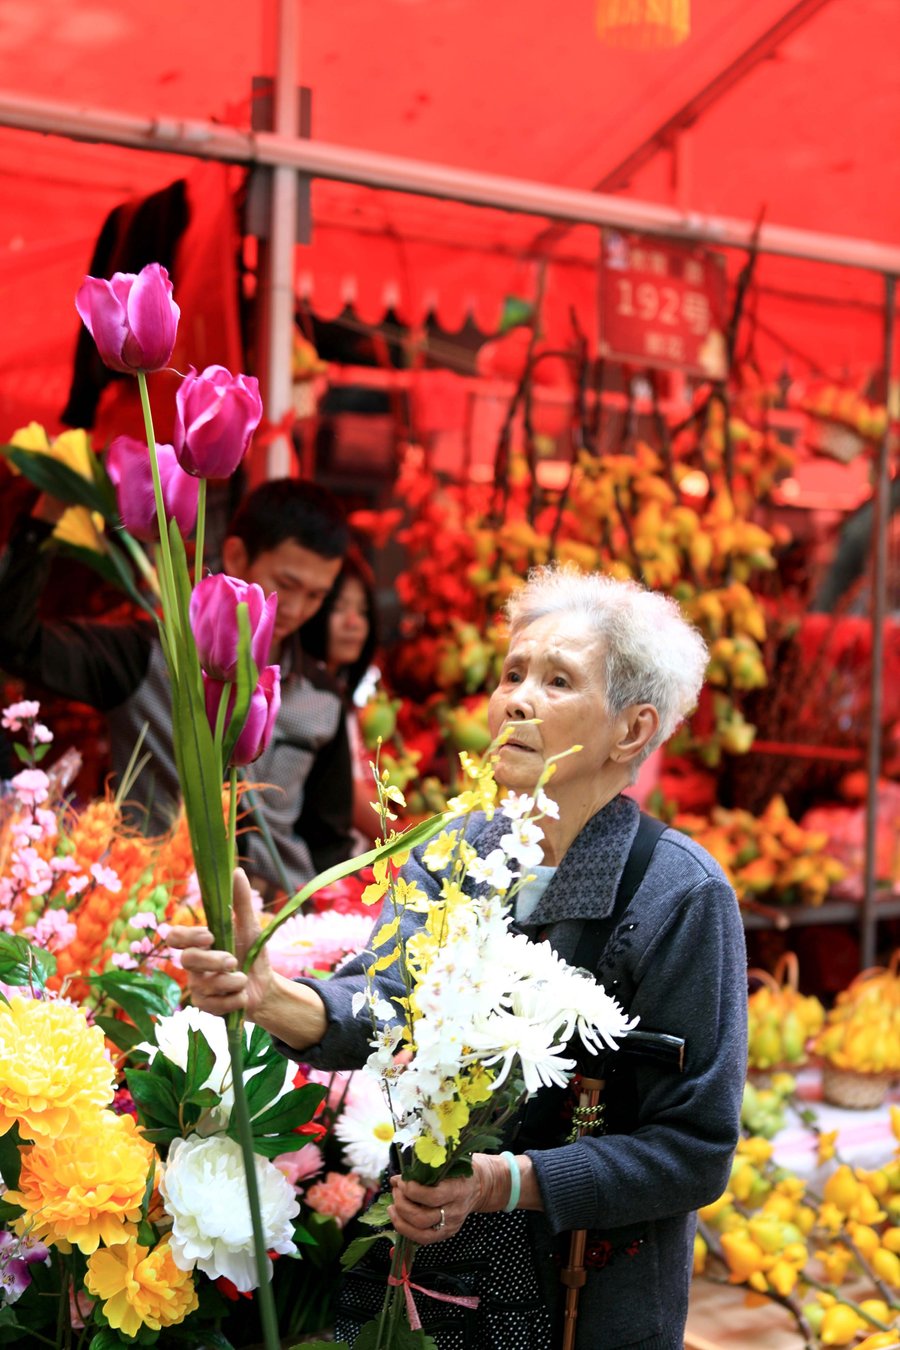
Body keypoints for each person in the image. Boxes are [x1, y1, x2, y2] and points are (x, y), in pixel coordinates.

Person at [169, 565, 748, 1350]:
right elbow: (378, 1003)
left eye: (556, 680)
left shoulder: (679, 895)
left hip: (583, 1302)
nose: (515, 698)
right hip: (430, 1278)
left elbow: (695, 1152)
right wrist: (267, 994)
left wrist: (502, 1183)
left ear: (633, 730)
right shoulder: (454, 851)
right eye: (511, 673)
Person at [0, 477, 355, 896]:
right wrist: (43, 520)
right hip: (153, 908)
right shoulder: (145, 658)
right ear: (237, 555)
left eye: (316, 595)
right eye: (288, 584)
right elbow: (14, 644)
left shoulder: (322, 699)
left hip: (278, 917)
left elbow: (328, 839)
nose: (295, 608)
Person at [300, 549, 381, 847]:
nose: (354, 623)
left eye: (362, 611)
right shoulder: (314, 694)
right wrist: (409, 839)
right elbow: (349, 793)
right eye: (339, 607)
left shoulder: (335, 688)